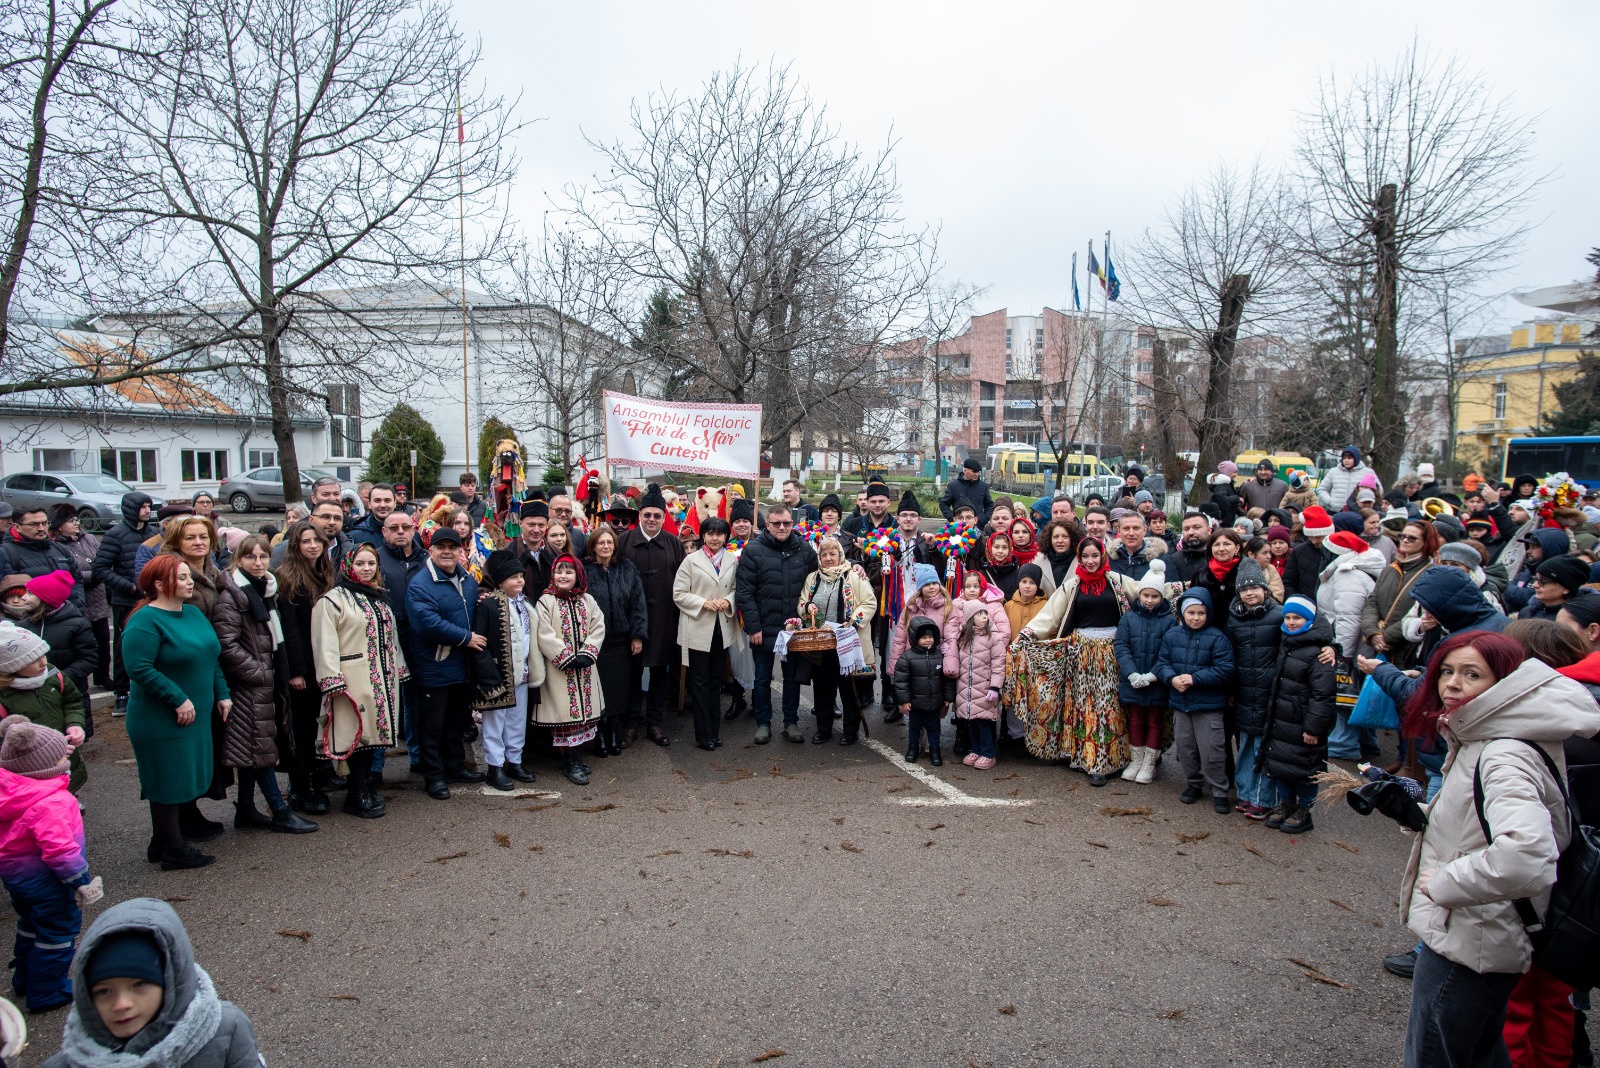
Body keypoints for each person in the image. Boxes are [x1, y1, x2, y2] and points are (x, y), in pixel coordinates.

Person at [1398, 632, 1600, 1068]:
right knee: (1482, 1054)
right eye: (1447, 671)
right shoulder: (1491, 738)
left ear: (1505, 681)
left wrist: (1445, 883)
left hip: (1471, 936)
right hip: (1482, 935)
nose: (1452, 684)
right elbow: (1478, 825)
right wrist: (1414, 812)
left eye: (1472, 674)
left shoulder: (1503, 753)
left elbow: (1527, 855)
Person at [45, 897, 262, 1068]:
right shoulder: (66, 1063)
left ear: (170, 982)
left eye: (139, 984)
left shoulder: (225, 1030)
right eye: (103, 991)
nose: (121, 1004)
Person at [119, 555, 231, 871]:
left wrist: (222, 693)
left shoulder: (193, 613)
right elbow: (139, 668)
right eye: (182, 577)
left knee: (182, 775)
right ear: (159, 584)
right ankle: (174, 850)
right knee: (167, 779)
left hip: (195, 714)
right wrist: (177, 698)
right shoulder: (144, 621)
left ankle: (161, 841)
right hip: (161, 716)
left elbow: (211, 656)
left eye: (189, 576)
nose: (189, 582)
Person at [211, 535, 315, 834]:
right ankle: (280, 811)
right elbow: (226, 644)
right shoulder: (232, 595)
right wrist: (259, 672)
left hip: (265, 681)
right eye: (250, 557)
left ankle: (246, 808)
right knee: (259, 747)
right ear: (238, 559)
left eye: (263, 557)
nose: (258, 563)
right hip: (249, 684)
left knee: (254, 746)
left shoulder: (266, 588)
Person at [1017, 538, 1142, 783]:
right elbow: (1050, 616)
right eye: (1085, 556)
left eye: (1095, 555)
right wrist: (1025, 636)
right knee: (1085, 707)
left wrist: (1182, 588)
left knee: (1109, 706)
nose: (1090, 561)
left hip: (1112, 654)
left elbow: (1146, 591)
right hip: (1081, 654)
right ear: (1080, 558)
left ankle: (1109, 759)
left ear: (1102, 556)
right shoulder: (1073, 585)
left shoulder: (1117, 581)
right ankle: (1088, 758)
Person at [0, 718, 102, 1014]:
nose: (65, 758)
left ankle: (25, 978)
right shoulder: (50, 801)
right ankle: (46, 990)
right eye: (60, 756)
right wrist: (80, 881)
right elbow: (59, 851)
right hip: (50, 882)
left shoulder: (13, 789)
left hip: (19, 879)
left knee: (31, 925)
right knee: (58, 933)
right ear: (42, 767)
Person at [312, 543, 405, 819]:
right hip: (351, 681)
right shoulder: (332, 600)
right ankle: (355, 794)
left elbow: (391, 637)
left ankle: (364, 788)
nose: (366, 569)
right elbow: (325, 642)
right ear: (348, 566)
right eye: (360, 564)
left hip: (380, 679)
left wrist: (399, 666)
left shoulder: (379, 597)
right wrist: (331, 679)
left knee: (371, 739)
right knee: (355, 737)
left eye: (371, 564)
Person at [405, 526, 486, 800]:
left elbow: (470, 609)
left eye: (453, 547)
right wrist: (466, 637)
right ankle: (434, 776)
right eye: (442, 547)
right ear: (431, 550)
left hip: (461, 666)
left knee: (456, 722)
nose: (447, 552)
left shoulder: (467, 580)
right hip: (434, 666)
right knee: (432, 726)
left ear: (460, 551)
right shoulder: (420, 584)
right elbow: (427, 623)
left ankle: (454, 766)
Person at [736, 503, 818, 745]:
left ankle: (790, 722)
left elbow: (815, 584)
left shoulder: (804, 549)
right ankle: (763, 723)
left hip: (793, 629)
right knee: (762, 679)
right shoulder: (753, 551)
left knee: (792, 679)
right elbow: (745, 592)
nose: (782, 527)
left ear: (792, 524)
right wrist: (753, 627)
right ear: (767, 525)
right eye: (776, 523)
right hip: (763, 628)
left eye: (786, 523)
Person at [1258, 595, 1336, 834]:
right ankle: (1286, 803)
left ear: (1310, 620)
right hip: (1282, 718)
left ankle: (1305, 808)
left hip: (1303, 722)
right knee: (1282, 764)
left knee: (1305, 769)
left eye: (1297, 618)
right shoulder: (1287, 640)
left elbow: (1323, 696)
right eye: (1288, 617)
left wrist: (1314, 728)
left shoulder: (1319, 653)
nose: (1291, 622)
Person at [1156, 588, 1236, 814]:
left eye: (1201, 613)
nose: (1196, 618)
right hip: (1181, 704)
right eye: (1191, 613)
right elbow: (1162, 663)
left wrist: (1195, 678)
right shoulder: (1172, 635)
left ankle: (1220, 790)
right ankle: (1193, 784)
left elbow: (1226, 669)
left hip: (1208, 705)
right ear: (1182, 613)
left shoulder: (1217, 638)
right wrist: (1171, 679)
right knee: (1186, 748)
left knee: (1212, 751)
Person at [790, 535, 875, 746]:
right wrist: (807, 607)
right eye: (824, 554)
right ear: (819, 557)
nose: (828, 558)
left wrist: (853, 621)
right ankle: (823, 729)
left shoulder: (854, 576)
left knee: (849, 689)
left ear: (840, 555)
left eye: (832, 554)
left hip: (847, 643)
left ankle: (850, 731)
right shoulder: (812, 578)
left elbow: (869, 602)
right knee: (822, 688)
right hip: (821, 644)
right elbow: (801, 602)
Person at [617, 488, 684, 748]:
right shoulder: (624, 541)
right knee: (632, 672)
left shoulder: (674, 543)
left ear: (663, 517)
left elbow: (682, 580)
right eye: (647, 515)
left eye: (657, 515)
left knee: (659, 671)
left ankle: (655, 722)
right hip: (630, 619)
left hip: (664, 618)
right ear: (640, 516)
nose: (652, 519)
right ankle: (631, 724)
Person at [470, 549, 541, 790]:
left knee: (516, 721)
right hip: (498, 675)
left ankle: (515, 760)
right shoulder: (489, 605)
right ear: (500, 581)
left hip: (521, 674)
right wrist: (488, 676)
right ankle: (495, 766)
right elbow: (480, 644)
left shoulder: (526, 603)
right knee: (494, 724)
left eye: (521, 576)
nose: (520, 581)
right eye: (513, 577)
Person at [534, 555, 606, 785]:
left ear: (578, 575)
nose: (563, 576)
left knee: (582, 715)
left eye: (568, 572)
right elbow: (544, 633)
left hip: (585, 668)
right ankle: (569, 760)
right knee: (566, 715)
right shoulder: (546, 601)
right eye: (559, 572)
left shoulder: (587, 600)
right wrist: (564, 656)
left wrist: (588, 652)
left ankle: (575, 757)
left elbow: (598, 625)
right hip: (560, 670)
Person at [674, 518, 738, 752]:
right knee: (700, 681)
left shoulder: (732, 560)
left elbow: (736, 589)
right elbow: (679, 593)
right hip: (698, 626)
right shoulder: (691, 561)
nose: (715, 538)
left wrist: (728, 601)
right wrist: (703, 603)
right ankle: (703, 734)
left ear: (726, 537)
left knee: (715, 681)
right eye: (710, 534)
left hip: (722, 627)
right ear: (703, 536)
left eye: (719, 534)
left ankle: (714, 731)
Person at [582, 524, 647, 756]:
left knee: (618, 690)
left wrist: (637, 635)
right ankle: (599, 733)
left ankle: (613, 732)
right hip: (595, 642)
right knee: (597, 689)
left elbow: (638, 603)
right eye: (601, 542)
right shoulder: (584, 570)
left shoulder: (627, 569)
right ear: (593, 546)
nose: (606, 546)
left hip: (621, 641)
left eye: (609, 542)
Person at [1, 573, 96, 732]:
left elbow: (89, 659)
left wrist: (59, 678)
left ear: (46, 598)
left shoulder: (78, 625)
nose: (23, 597)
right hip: (31, 696)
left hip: (66, 690)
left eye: (30, 593)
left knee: (70, 735)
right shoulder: (23, 626)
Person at [0, 622, 88, 792]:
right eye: (33, 660)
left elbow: (73, 701)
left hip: (66, 758)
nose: (43, 663)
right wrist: (47, 751)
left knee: (67, 790)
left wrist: (75, 723)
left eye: (43, 655)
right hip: (29, 772)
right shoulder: (4, 696)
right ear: (12, 666)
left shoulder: (53, 675)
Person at [1225, 560, 1283, 817]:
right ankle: (1245, 792)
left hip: (1270, 691)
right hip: (1244, 690)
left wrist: (1329, 647)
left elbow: (1313, 630)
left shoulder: (1279, 614)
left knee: (1263, 745)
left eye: (1254, 588)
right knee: (1247, 743)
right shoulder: (1234, 619)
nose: (1249, 593)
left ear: (1265, 589)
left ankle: (1264, 798)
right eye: (1244, 589)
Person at [1113, 562, 1177, 786]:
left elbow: (1168, 651)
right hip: (1133, 680)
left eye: (1155, 596)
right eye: (1146, 595)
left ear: (1161, 597)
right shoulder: (1129, 618)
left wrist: (1153, 675)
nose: (1149, 600)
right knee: (1136, 720)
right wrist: (1132, 674)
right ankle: (1136, 760)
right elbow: (1122, 647)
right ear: (1139, 595)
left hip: (1156, 681)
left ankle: (1149, 763)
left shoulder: (1169, 620)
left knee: (1155, 721)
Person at [49, 505, 109, 693]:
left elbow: (103, 561)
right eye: (70, 521)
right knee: (82, 644)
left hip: (98, 598)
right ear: (59, 526)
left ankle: (103, 675)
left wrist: (98, 574)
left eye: (76, 519)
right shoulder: (56, 546)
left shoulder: (88, 539)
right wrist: (94, 576)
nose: (76, 523)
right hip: (78, 599)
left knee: (103, 641)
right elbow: (67, 574)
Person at [947, 598, 1006, 769]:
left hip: (985, 688)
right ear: (970, 617)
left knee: (984, 721)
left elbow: (999, 663)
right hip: (967, 688)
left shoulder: (994, 637)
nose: (984, 617)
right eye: (979, 614)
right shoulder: (964, 637)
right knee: (971, 721)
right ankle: (975, 749)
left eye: (985, 613)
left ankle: (988, 753)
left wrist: (995, 687)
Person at [894, 615, 950, 764]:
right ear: (915, 638)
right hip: (916, 703)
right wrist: (904, 700)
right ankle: (912, 748)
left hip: (934, 702)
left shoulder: (939, 656)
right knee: (914, 727)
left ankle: (935, 750)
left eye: (930, 637)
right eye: (924, 637)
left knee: (934, 727)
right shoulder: (907, 658)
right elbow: (901, 681)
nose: (928, 640)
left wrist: (947, 696)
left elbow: (947, 679)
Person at [2, 509, 83, 610]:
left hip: (71, 614)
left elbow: (77, 578)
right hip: (32, 617)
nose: (41, 528)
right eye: (33, 524)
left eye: (44, 523)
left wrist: (80, 603)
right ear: (17, 527)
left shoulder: (59, 548)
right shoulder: (6, 553)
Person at [1519, 554, 1591, 621]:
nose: (1535, 585)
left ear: (1566, 588)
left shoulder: (1573, 621)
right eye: (1536, 579)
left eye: (1543, 581)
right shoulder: (1526, 613)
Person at [1283, 505, 1335, 600]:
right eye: (1310, 537)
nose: (1314, 541)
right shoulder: (1298, 553)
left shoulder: (1338, 552)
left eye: (1318, 537)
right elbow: (1288, 583)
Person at [1319, 445, 1381, 512]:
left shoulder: (1368, 472)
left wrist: (1368, 504)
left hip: (1359, 512)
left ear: (1356, 458)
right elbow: (1322, 489)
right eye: (1344, 458)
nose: (1346, 460)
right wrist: (1329, 501)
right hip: (1335, 511)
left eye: (1349, 458)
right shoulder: (1333, 472)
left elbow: (1379, 490)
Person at [1160, 513, 1211, 588]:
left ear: (1209, 530)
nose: (1190, 533)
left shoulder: (1218, 558)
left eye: (1196, 528)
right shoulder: (1174, 560)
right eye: (1186, 529)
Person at [940, 458, 993, 524]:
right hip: (959, 527)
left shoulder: (983, 486)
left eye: (978, 472)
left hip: (978, 526)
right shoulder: (953, 486)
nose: (976, 474)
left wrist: (983, 519)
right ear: (965, 471)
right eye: (974, 472)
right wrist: (953, 518)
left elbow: (990, 505)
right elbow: (943, 504)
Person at [347, 483, 398, 547]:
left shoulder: (407, 532)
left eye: (387, 500)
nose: (383, 505)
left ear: (395, 503)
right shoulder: (354, 537)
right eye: (377, 501)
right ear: (369, 504)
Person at [1005, 564, 1047, 638]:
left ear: (1037, 585)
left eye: (1032, 583)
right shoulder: (1008, 606)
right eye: (1024, 582)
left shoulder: (1045, 606)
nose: (1027, 586)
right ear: (1019, 583)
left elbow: (1051, 632)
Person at [1038, 520, 1078, 588]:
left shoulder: (1081, 563)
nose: (1060, 541)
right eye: (1056, 537)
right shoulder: (1039, 563)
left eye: (1065, 537)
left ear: (1072, 539)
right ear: (1049, 539)